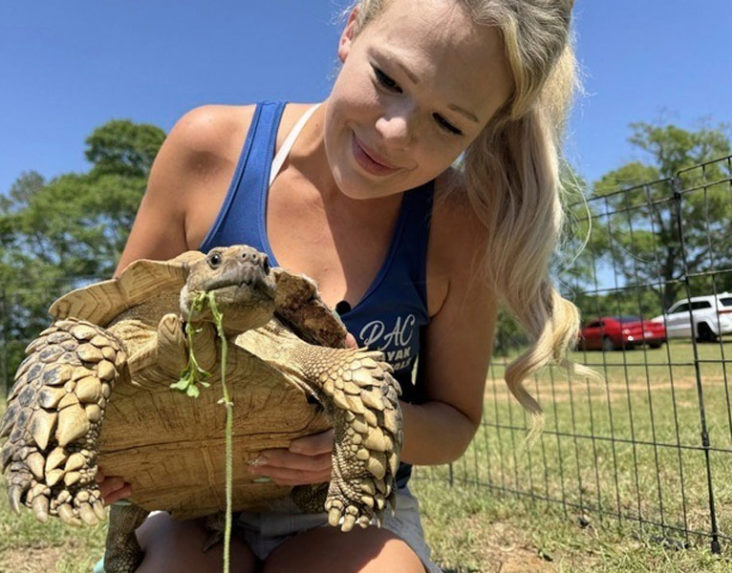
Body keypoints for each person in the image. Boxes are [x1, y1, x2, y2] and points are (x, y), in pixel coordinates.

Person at [97, 0, 585, 571]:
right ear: (352, 28)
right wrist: (103, 442)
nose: (394, 132)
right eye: (388, 79)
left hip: (348, 508)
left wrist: (358, 422)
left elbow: (455, 423)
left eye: (449, 123)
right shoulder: (209, 151)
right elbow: (114, 340)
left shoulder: (460, 226)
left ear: (486, 128)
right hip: (190, 494)